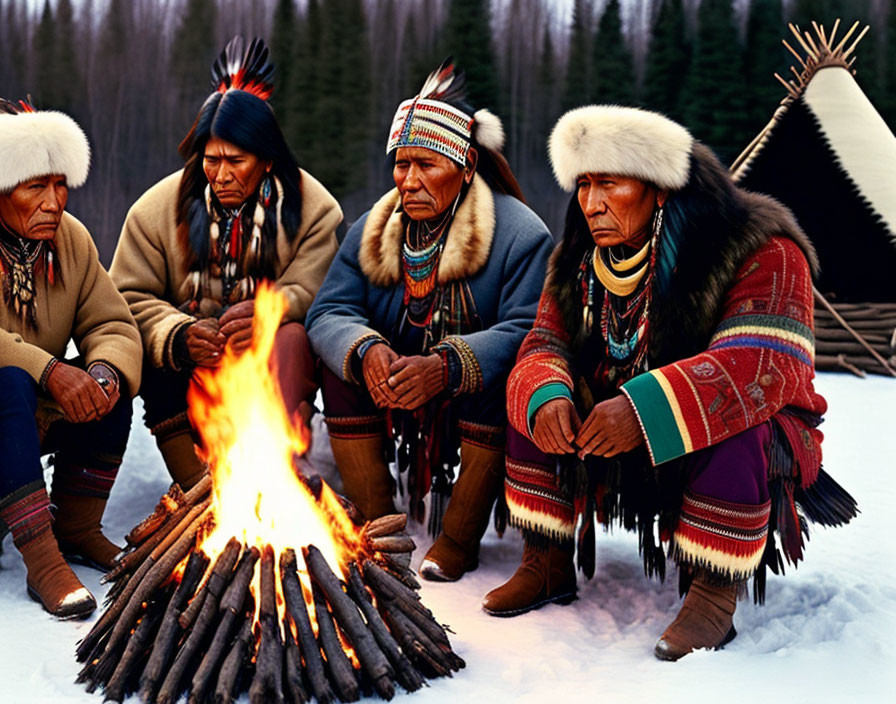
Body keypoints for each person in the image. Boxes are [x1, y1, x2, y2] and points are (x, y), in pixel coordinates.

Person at [483, 105, 857, 660]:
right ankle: (546, 559)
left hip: (742, 436)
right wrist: (548, 392)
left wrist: (642, 410)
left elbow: (762, 363)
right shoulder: (577, 260)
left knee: (737, 419)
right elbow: (545, 341)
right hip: (614, 426)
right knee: (535, 394)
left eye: (609, 184)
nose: (590, 203)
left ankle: (712, 592)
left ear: (658, 190)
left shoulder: (762, 247)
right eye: (583, 185)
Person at [306, 60, 554, 582]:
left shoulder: (518, 233)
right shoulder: (373, 229)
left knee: (503, 378)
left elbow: (527, 328)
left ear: (466, 166)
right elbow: (329, 310)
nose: (409, 181)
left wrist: (446, 366)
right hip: (394, 376)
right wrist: (367, 351)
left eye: (427, 165)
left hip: (467, 386)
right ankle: (378, 525)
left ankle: (459, 538)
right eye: (401, 164)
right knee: (338, 366)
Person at [110, 38, 341, 490]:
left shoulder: (314, 208)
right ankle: (198, 487)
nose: (220, 174)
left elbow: (323, 288)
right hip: (193, 368)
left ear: (267, 159)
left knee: (293, 339)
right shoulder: (155, 211)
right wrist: (177, 333)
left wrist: (268, 311)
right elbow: (125, 298)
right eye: (210, 161)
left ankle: (274, 468)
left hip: (272, 366)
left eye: (236, 161)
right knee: (157, 357)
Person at [0, 100, 142, 618]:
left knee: (109, 383)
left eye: (60, 184)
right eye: (34, 186)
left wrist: (102, 372)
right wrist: (50, 370)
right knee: (9, 384)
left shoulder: (70, 240)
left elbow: (114, 324)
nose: (53, 201)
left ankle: (77, 528)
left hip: (30, 418)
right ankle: (42, 559)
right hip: (9, 408)